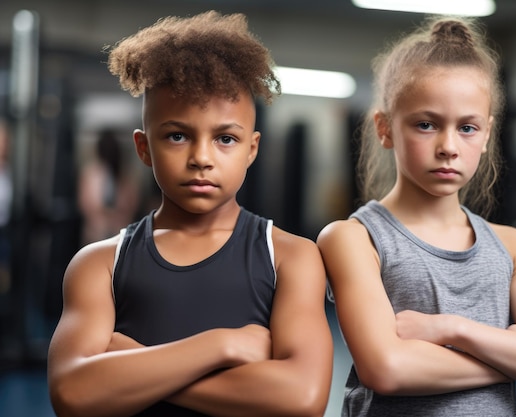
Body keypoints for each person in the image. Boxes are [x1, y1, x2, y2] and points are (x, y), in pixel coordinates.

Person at [48, 11, 333, 417]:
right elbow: (73, 395)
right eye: (178, 136)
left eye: (225, 138)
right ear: (144, 147)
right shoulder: (98, 264)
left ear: (252, 149)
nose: (201, 158)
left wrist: (135, 364)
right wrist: (221, 345)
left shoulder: (291, 257)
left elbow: (300, 399)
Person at [317, 16, 516, 416]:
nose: (448, 146)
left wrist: (452, 329)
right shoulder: (354, 239)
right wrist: (512, 357)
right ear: (385, 128)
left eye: (467, 128)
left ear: (486, 135)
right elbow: (387, 368)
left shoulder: (512, 247)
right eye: (426, 125)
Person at [77, 128, 140, 245]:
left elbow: (132, 204)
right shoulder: (91, 173)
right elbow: (86, 205)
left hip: (120, 233)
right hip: (97, 232)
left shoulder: (124, 174)